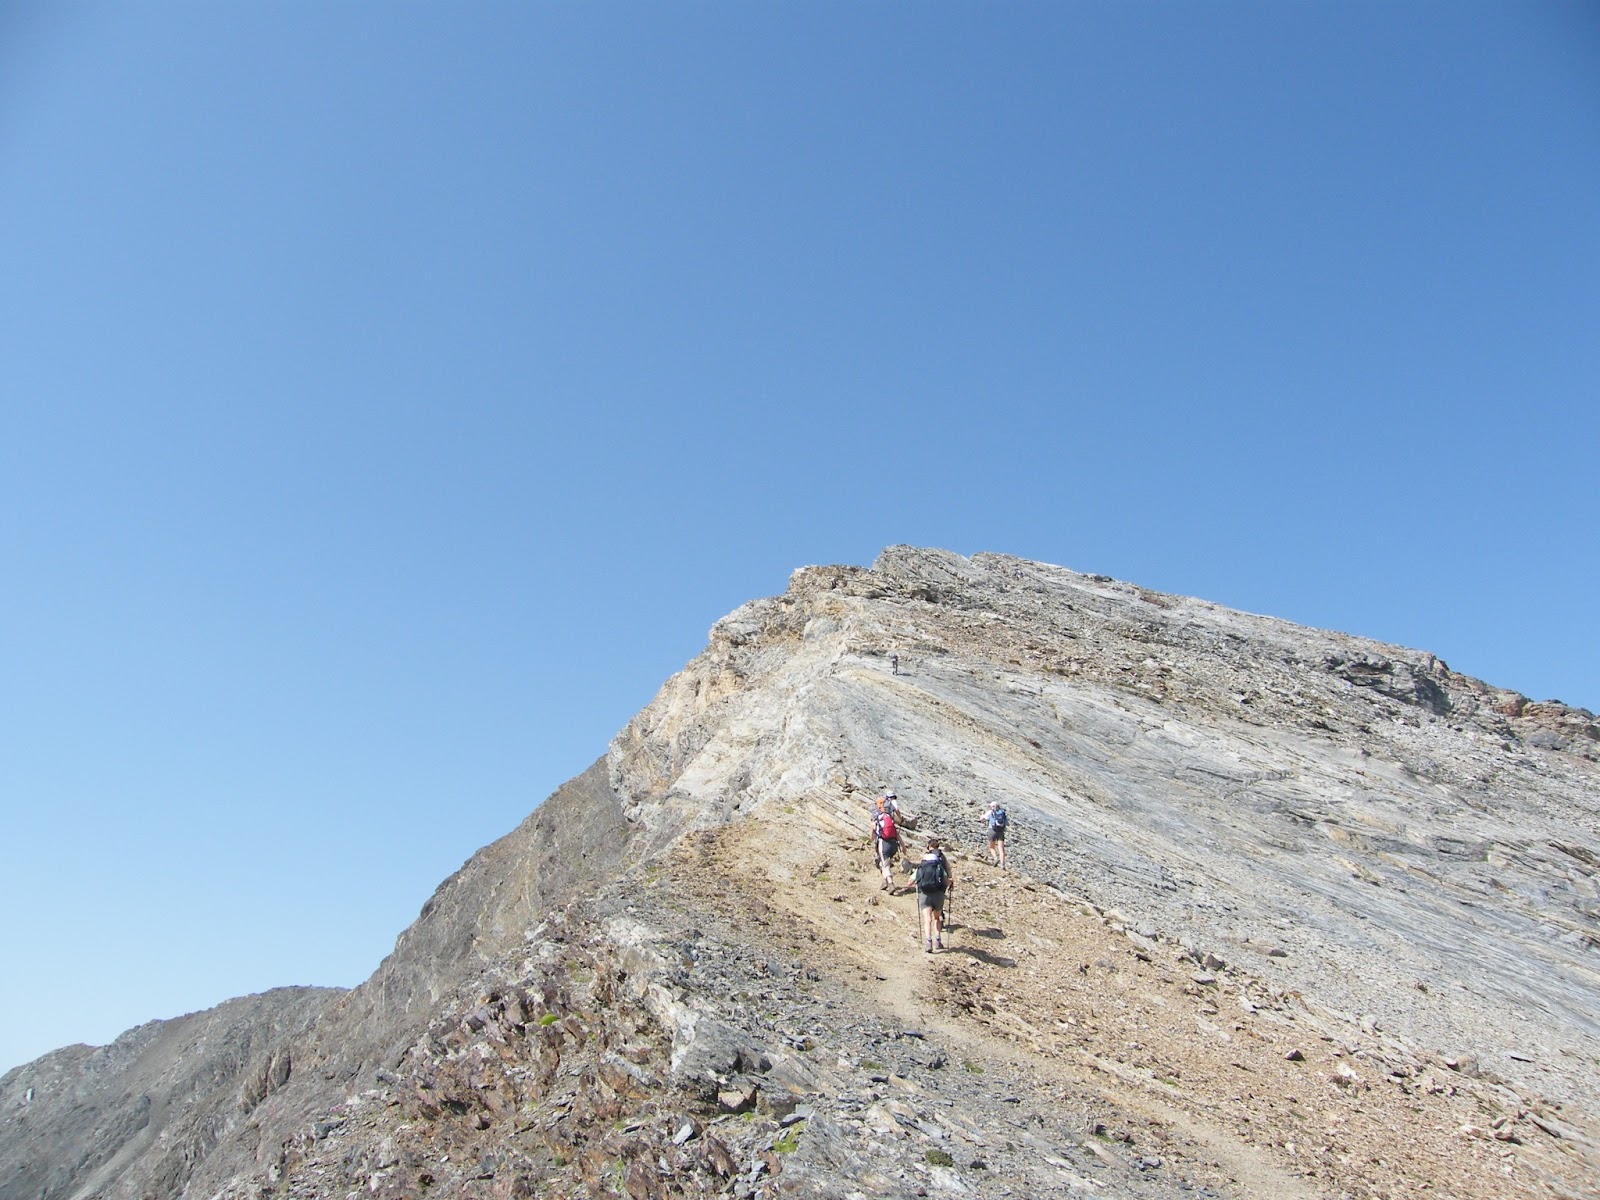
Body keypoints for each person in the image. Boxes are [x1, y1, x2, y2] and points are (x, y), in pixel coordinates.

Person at [914, 838, 953, 952]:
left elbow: (912, 879)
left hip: (925, 893)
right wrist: (950, 882)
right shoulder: (941, 859)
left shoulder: (924, 862)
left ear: (928, 847)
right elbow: (947, 875)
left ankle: (928, 942)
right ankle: (937, 940)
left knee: (927, 919)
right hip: (939, 893)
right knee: (937, 918)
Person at [873, 800, 900, 890]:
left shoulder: (877, 819)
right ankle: (885, 882)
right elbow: (896, 833)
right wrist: (903, 846)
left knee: (885, 865)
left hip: (884, 843)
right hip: (894, 845)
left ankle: (890, 883)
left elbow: (872, 837)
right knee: (884, 863)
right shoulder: (889, 817)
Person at [985, 802, 1009, 868]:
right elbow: (1007, 823)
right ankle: (1002, 864)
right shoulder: (1002, 813)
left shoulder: (990, 812)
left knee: (991, 847)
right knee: (1001, 848)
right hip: (1001, 832)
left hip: (992, 831)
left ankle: (995, 858)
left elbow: (984, 818)